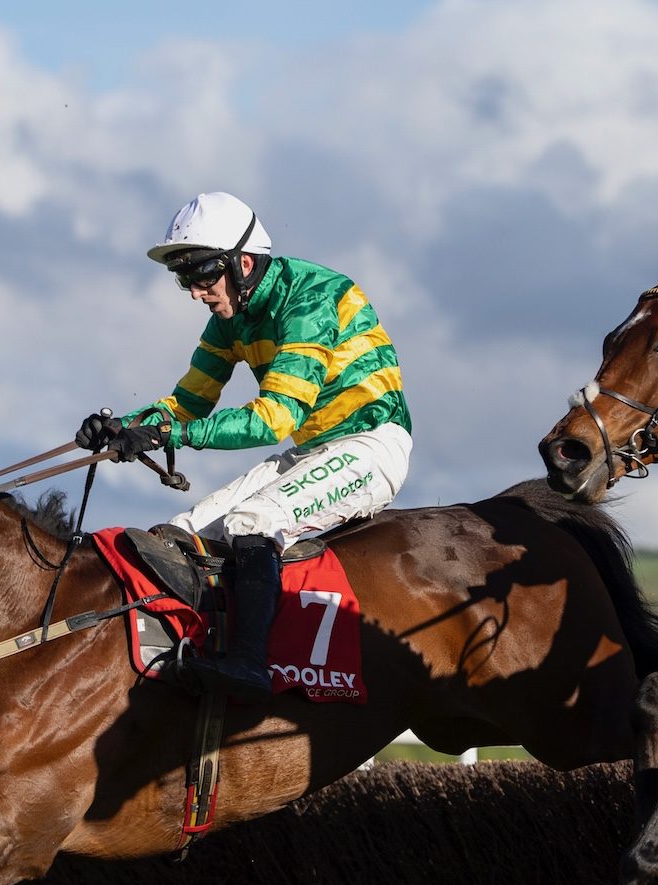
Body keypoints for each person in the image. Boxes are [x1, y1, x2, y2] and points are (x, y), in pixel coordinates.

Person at [77, 192, 413, 700]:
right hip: (314, 452)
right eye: (183, 278)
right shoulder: (229, 321)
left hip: (372, 444)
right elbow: (188, 402)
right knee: (183, 531)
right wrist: (123, 426)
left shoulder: (312, 298)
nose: (194, 292)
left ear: (243, 263)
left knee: (251, 523)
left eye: (200, 275)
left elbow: (274, 419)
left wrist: (174, 435)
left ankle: (250, 663)